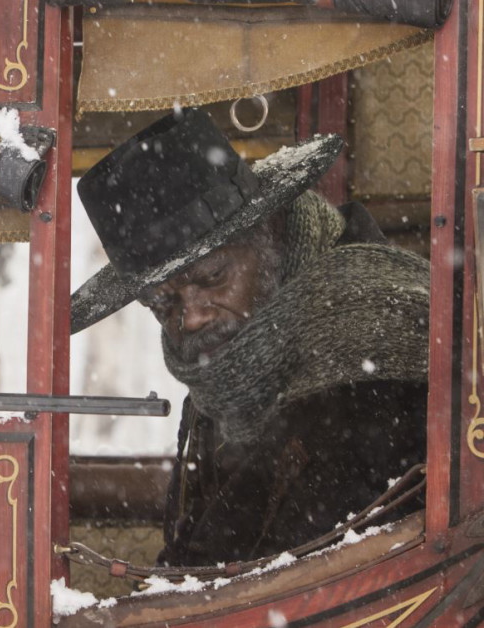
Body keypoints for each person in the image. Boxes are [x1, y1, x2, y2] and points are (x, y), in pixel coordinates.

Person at [70, 108, 429, 566]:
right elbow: (213, 548)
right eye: (163, 304)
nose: (191, 318)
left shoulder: (370, 337)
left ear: (271, 229)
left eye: (213, 277)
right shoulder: (239, 356)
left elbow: (298, 561)